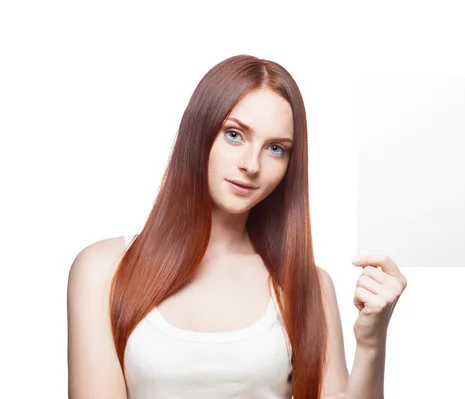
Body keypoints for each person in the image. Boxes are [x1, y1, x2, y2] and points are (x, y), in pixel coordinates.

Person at [67, 54, 407, 399]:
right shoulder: (104, 269)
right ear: (198, 132)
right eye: (234, 135)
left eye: (276, 148)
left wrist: (370, 342)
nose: (251, 164)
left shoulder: (307, 286)